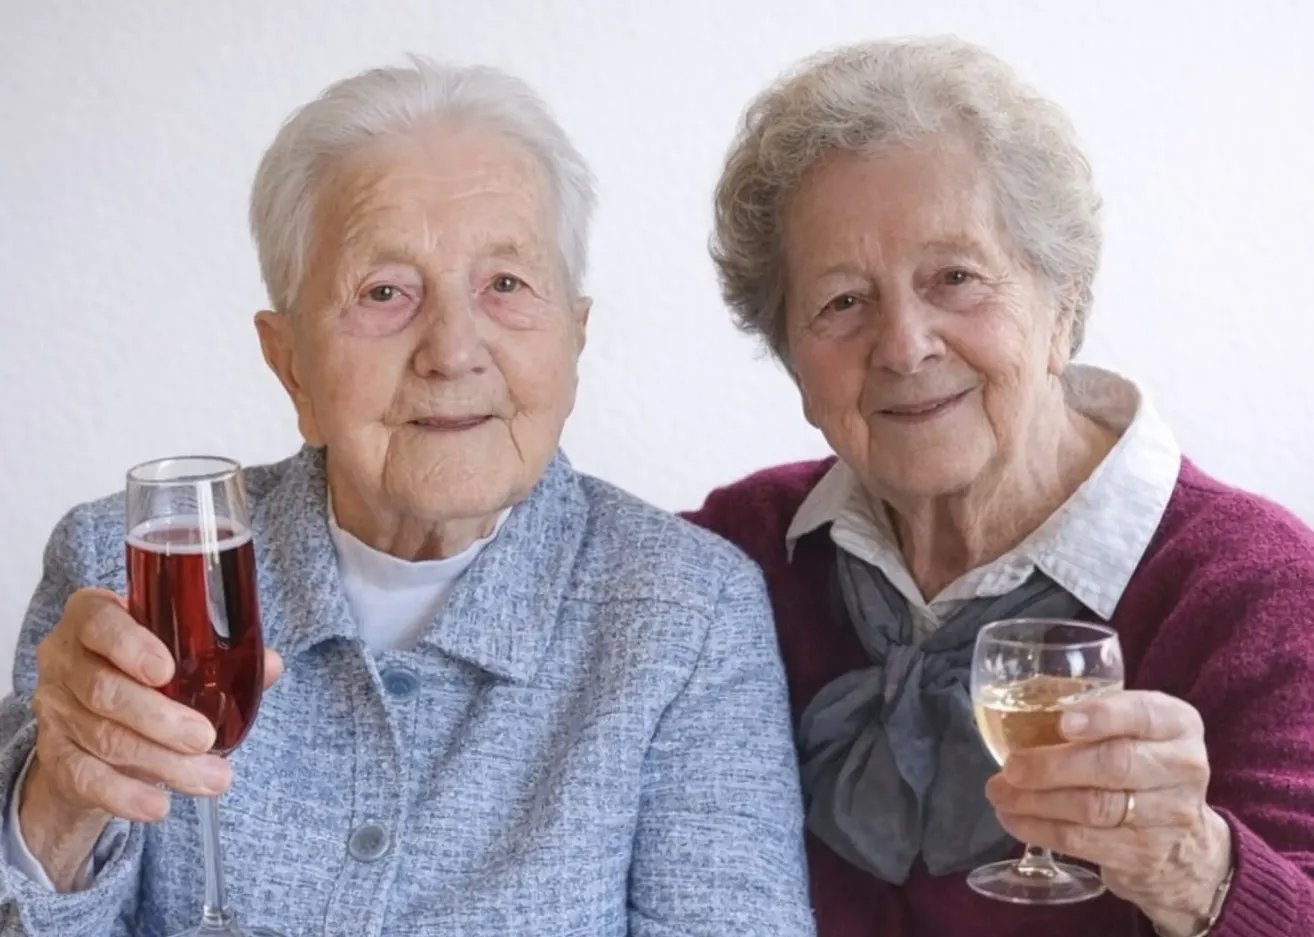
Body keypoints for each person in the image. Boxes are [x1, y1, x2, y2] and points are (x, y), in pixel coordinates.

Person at [0, 58, 815, 937]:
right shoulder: (120, 568)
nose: (453, 350)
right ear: (289, 364)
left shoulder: (688, 614)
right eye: (384, 292)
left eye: (506, 285)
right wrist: (59, 803)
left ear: (574, 340)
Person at [687, 36, 1314, 937]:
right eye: (842, 302)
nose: (904, 344)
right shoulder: (735, 557)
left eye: (956, 278)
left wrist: (1197, 870)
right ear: (793, 359)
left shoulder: (1253, 588)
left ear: (1063, 307)